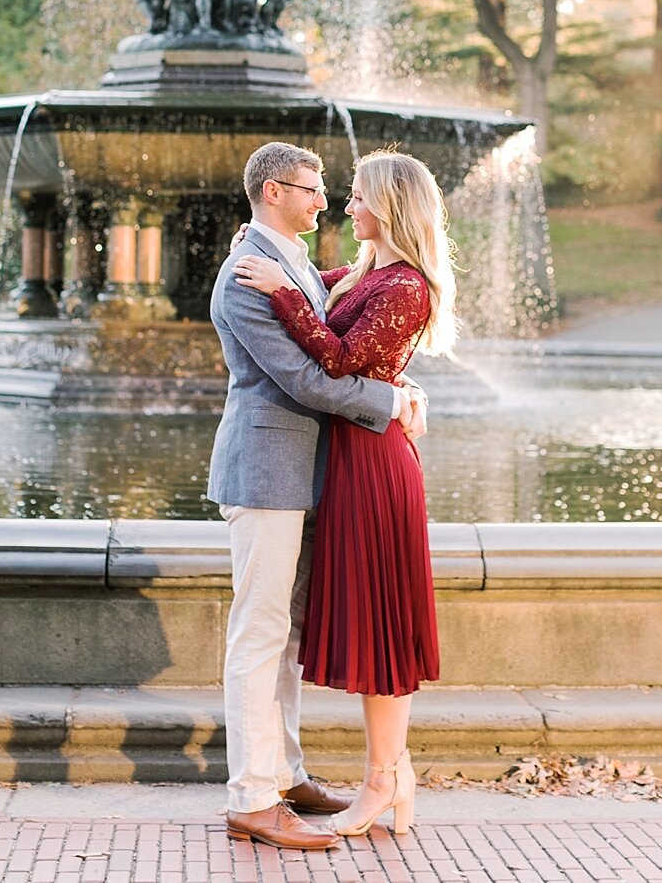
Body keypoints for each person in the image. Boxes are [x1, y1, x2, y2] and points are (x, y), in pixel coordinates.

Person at [233, 150, 457, 837]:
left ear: (388, 207)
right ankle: (390, 775)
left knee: (382, 629)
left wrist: (281, 290)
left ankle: (383, 780)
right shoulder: (369, 271)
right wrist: (263, 253)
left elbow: (332, 356)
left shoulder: (407, 287)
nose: (344, 206)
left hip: (374, 464)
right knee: (368, 626)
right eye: (339, 193)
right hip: (347, 461)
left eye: (356, 197)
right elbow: (317, 294)